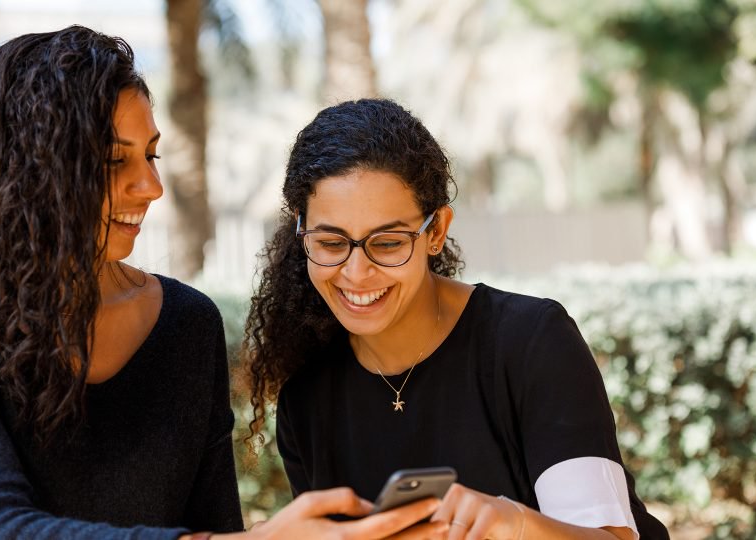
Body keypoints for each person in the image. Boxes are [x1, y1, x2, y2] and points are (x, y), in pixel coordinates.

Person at [0, 27, 448, 540]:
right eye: (114, 161)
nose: (151, 187)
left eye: (151, 156)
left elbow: (212, 526)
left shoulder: (187, 325)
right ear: (27, 174)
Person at [242, 98, 670, 540]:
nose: (356, 272)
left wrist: (514, 524)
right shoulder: (306, 401)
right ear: (301, 231)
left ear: (437, 231)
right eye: (331, 243)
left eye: (387, 243)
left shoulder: (532, 342)